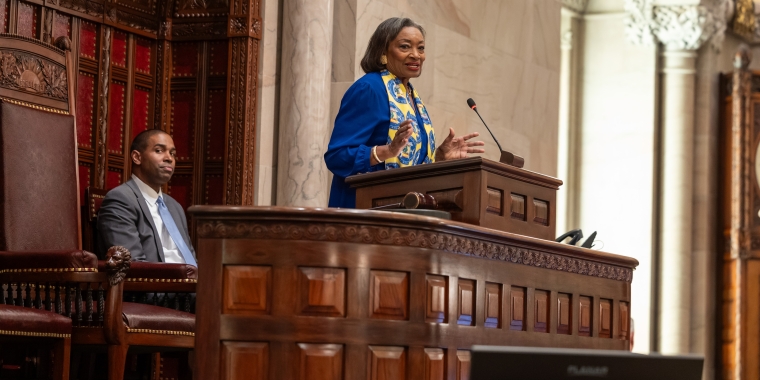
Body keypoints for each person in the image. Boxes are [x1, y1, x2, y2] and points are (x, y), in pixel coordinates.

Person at [324, 17, 485, 208]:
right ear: (383, 51)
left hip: (402, 213)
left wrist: (439, 157)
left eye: (421, 48)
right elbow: (337, 156)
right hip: (362, 211)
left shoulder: (410, 96)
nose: (416, 55)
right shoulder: (369, 89)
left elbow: (407, 164)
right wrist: (387, 151)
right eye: (405, 47)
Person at [97, 129, 197, 265]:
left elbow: (190, 257)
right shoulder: (120, 199)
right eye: (159, 151)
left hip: (191, 282)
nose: (169, 158)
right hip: (154, 283)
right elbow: (132, 263)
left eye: (172, 153)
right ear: (137, 157)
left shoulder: (175, 206)